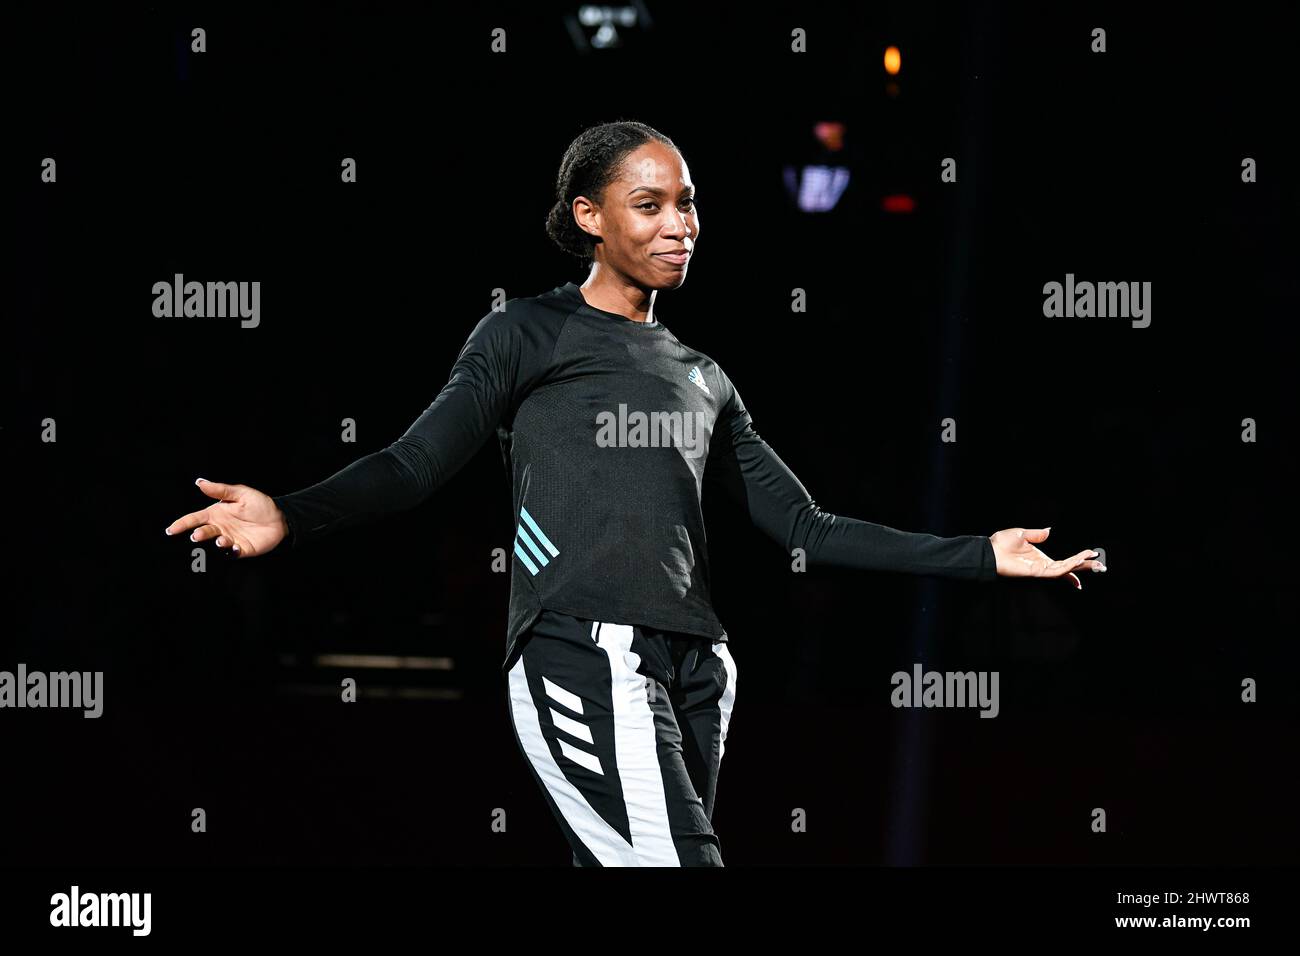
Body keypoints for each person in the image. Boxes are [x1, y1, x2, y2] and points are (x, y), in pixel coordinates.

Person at [165, 120, 1104, 867]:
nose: (678, 225)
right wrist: (292, 510)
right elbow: (414, 464)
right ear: (589, 216)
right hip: (582, 649)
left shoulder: (705, 377)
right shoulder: (526, 334)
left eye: (688, 205)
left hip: (700, 668)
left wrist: (977, 554)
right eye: (649, 205)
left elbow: (803, 526)